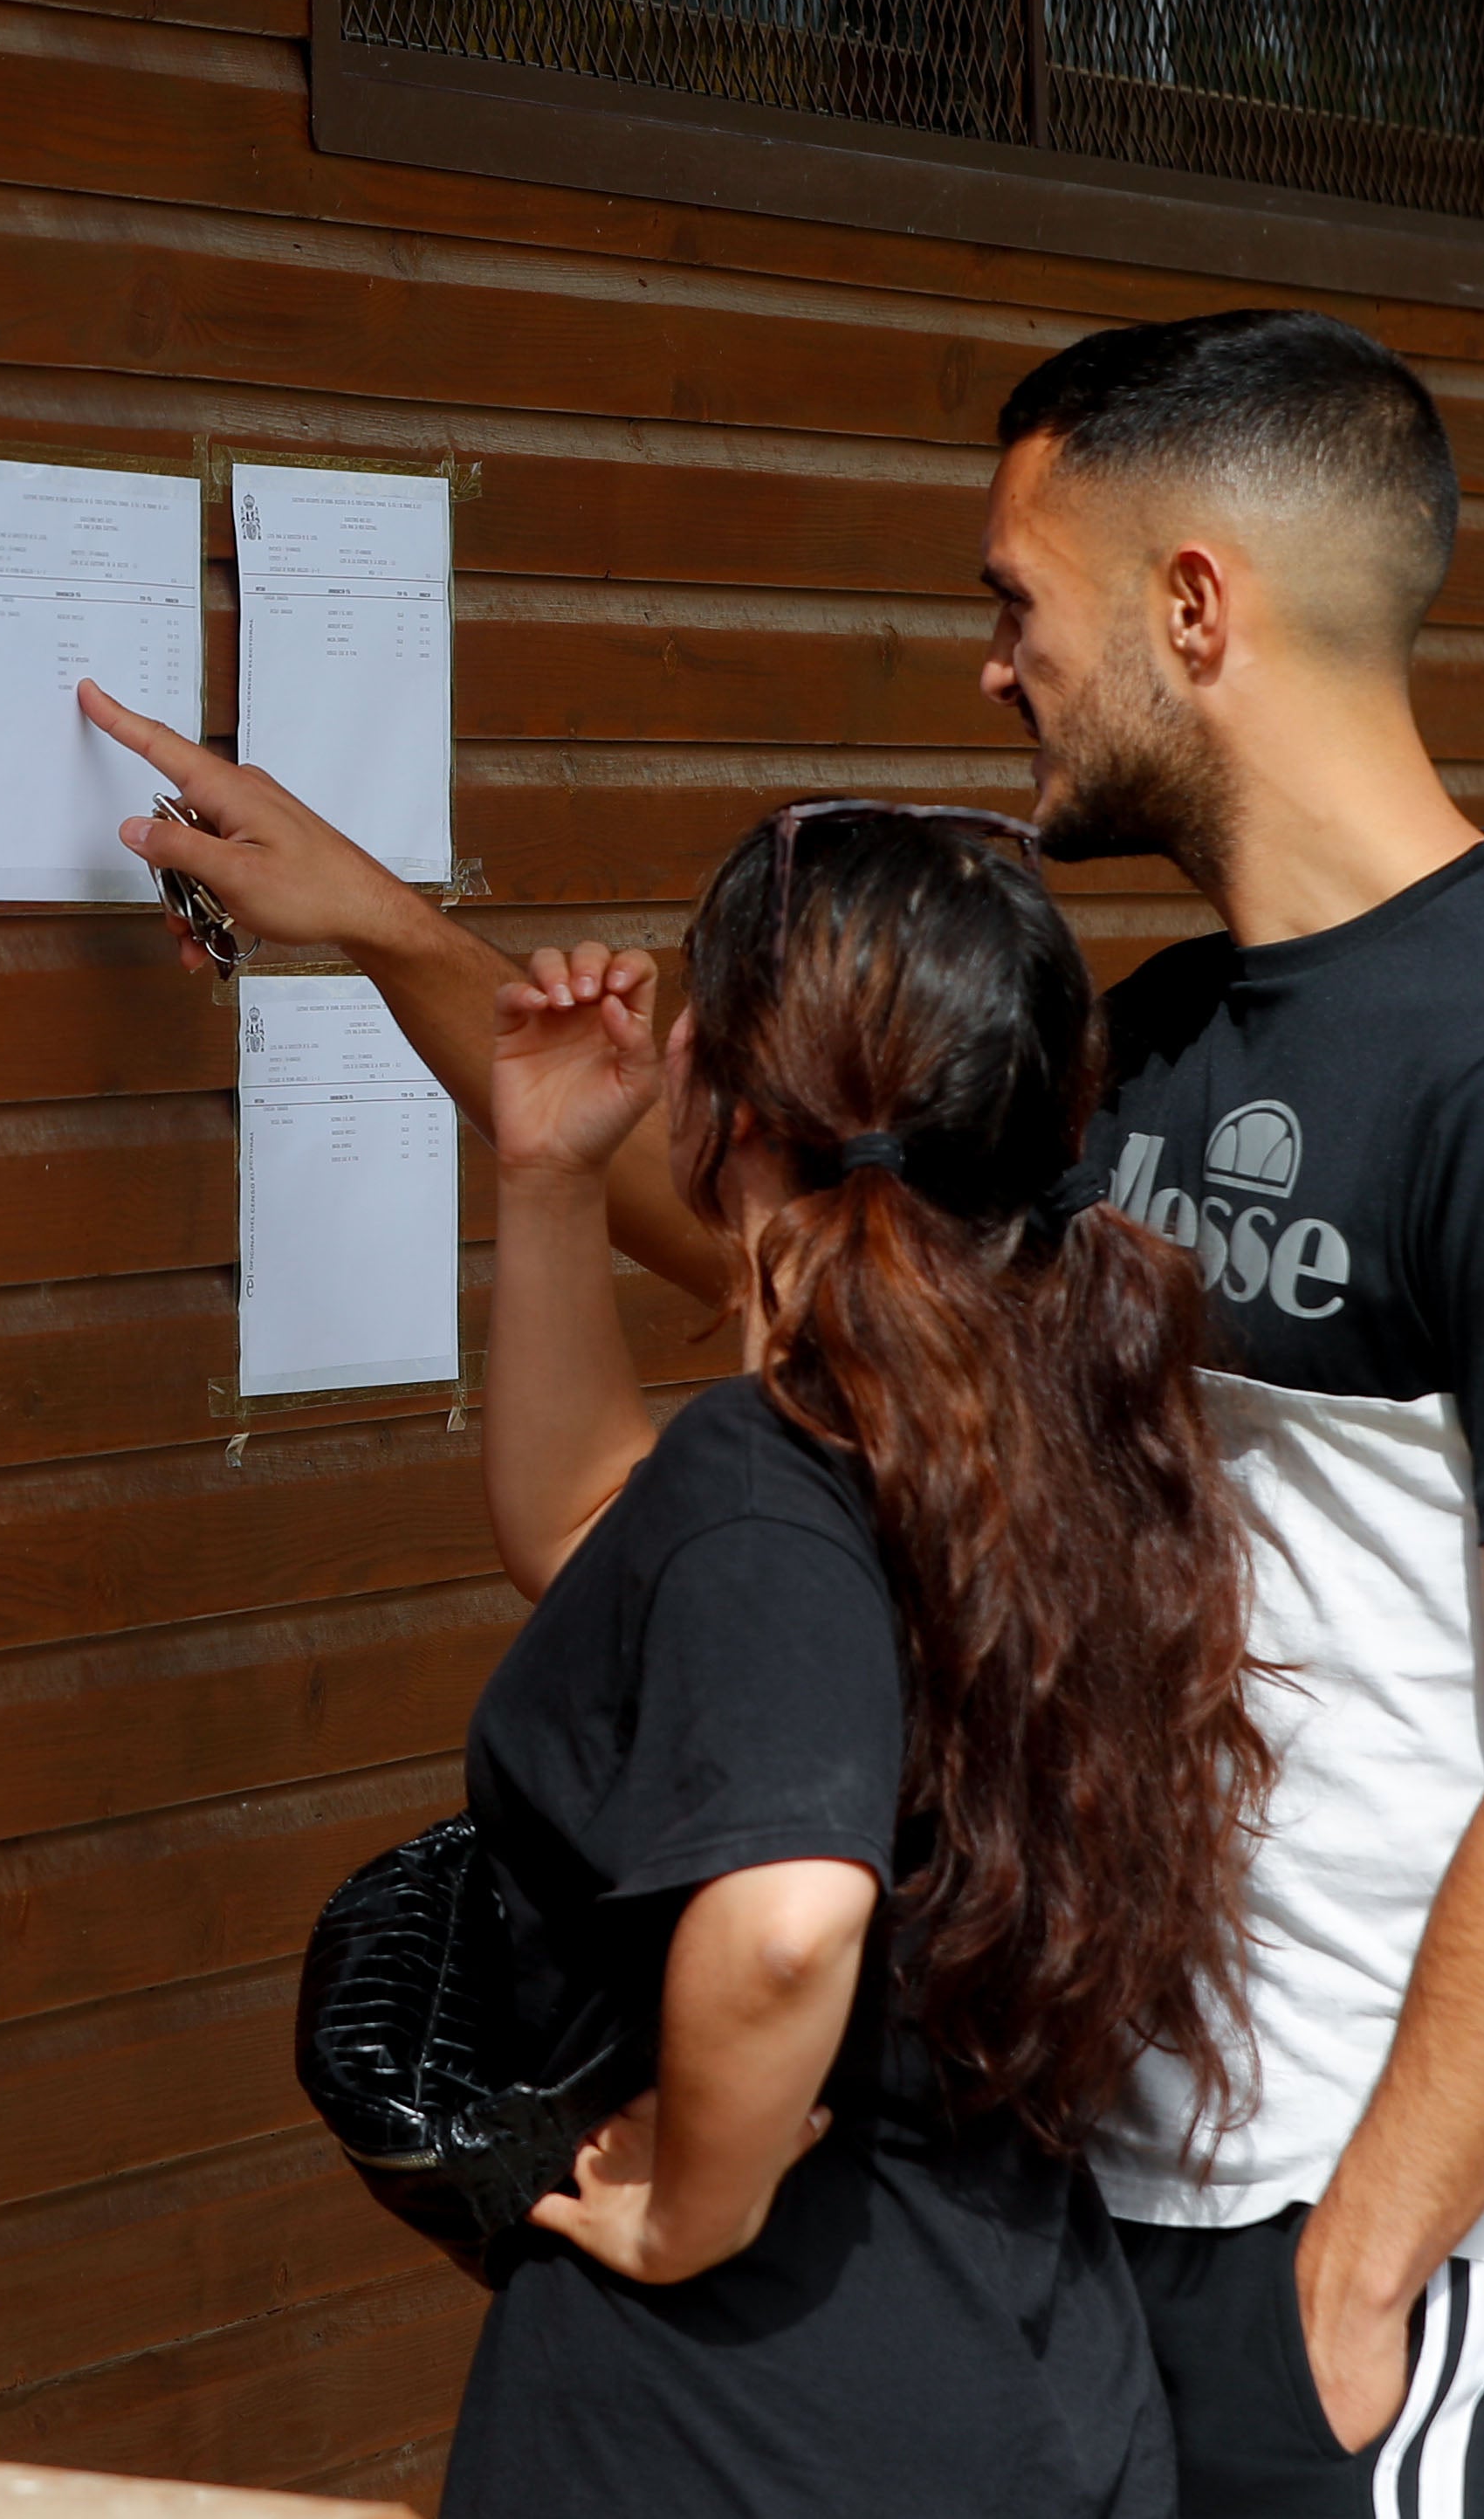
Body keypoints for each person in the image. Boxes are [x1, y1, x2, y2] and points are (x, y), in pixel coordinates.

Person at [81, 306, 1484, 2515]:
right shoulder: (1157, 1046)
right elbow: (807, 1236)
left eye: (1016, 596)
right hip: (1124, 2185)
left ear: (1193, 605)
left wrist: (1359, 2275)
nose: (994, 662)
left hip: (1398, 2245)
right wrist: (383, 926)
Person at [443, 801, 1267, 2516]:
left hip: (746, 2422)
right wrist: (543, 1175)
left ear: (719, 1092)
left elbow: (786, 1921)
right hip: (1018, 2373)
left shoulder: (770, 1473)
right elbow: (600, 1542)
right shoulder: (1063, 1422)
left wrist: (691, 2199)